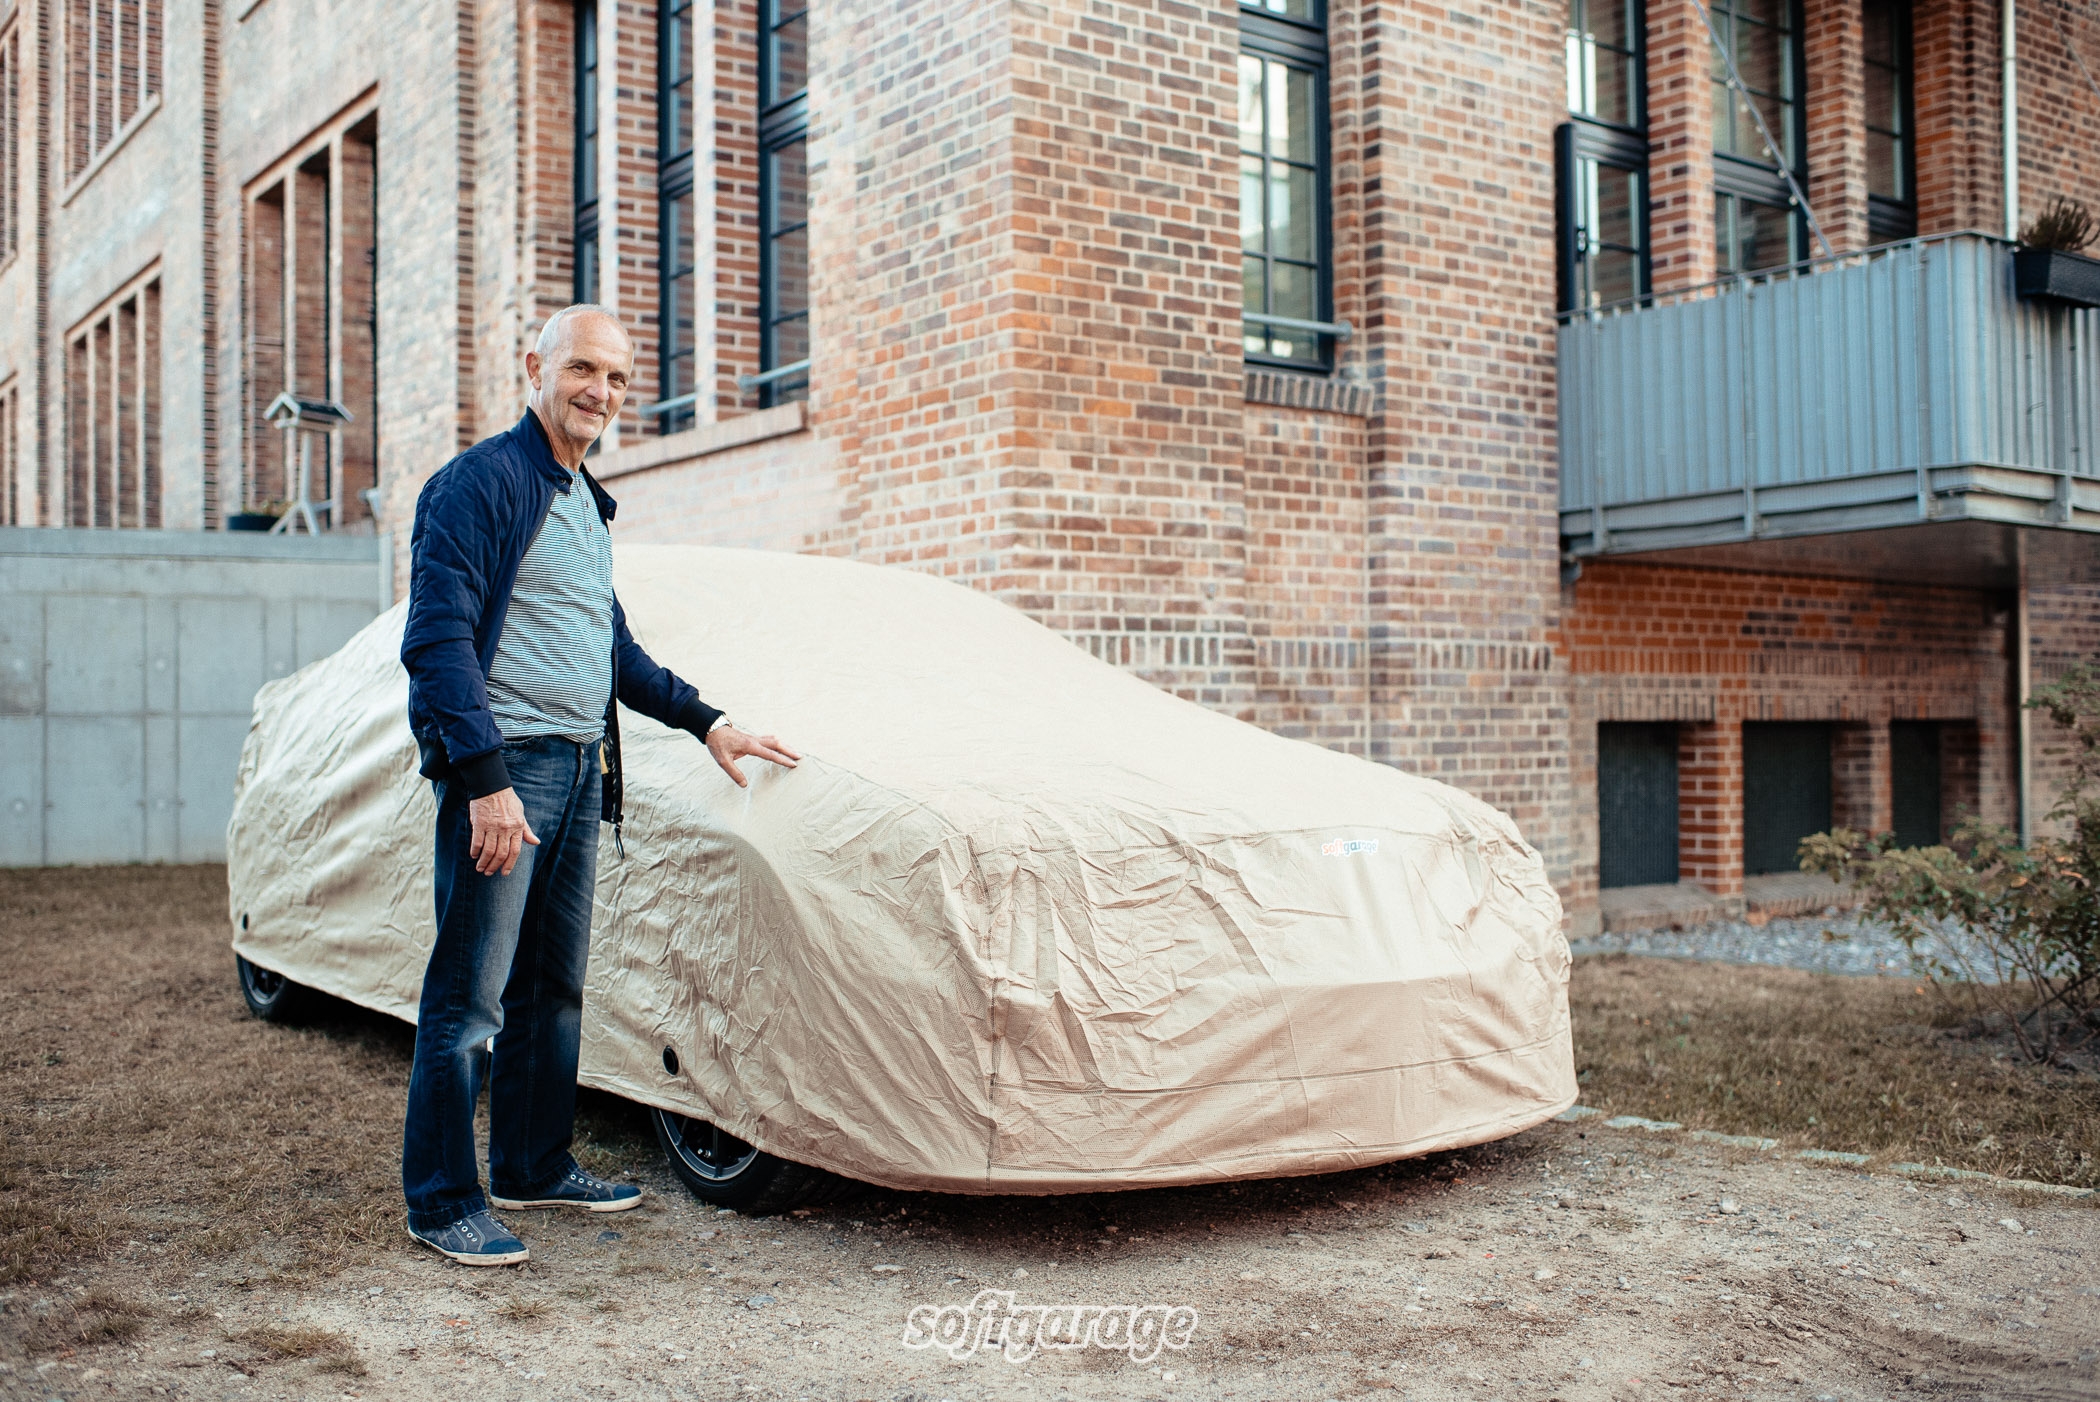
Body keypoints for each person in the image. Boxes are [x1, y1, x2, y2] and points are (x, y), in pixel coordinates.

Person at [397, 304, 800, 1266]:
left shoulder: (584, 501)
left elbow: (608, 647)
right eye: (583, 368)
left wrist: (707, 721)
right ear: (533, 367)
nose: (601, 392)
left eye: (618, 378)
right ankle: (443, 1200)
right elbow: (438, 642)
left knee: (552, 989)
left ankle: (533, 1164)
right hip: (510, 772)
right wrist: (486, 781)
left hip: (580, 767)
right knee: (470, 999)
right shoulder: (480, 485)